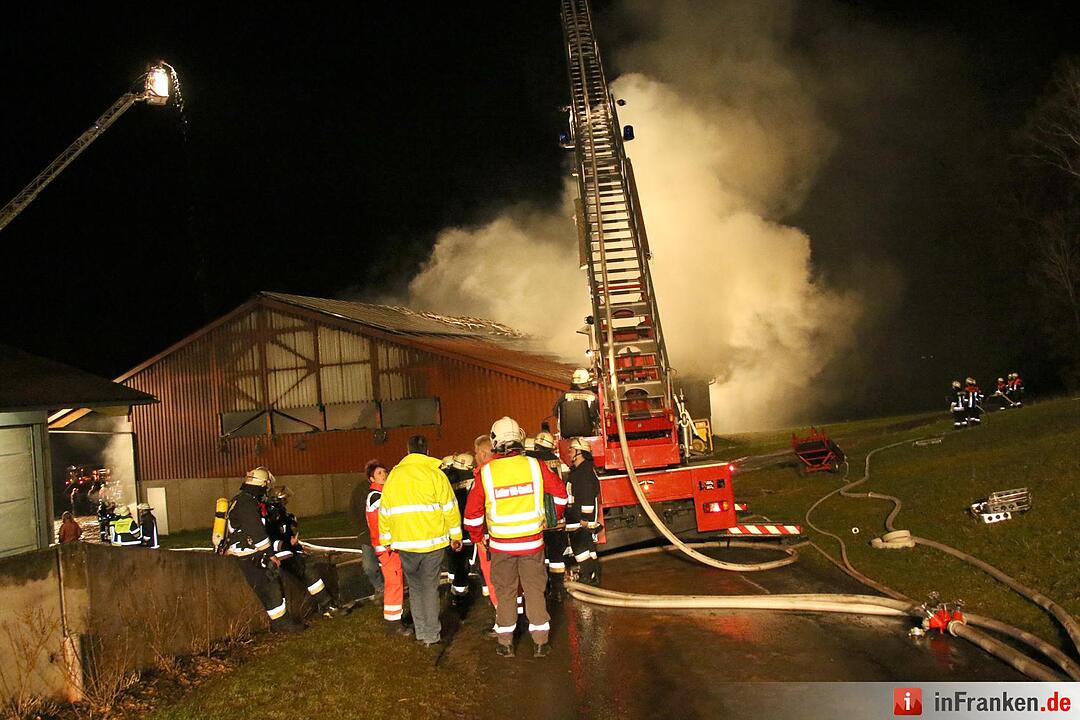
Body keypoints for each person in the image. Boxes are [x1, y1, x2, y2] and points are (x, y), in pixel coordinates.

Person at [464, 417, 567, 658]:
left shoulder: (486, 473)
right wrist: (550, 518)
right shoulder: (534, 465)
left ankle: (505, 644)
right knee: (534, 591)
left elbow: (472, 514)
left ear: (495, 441)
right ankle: (541, 643)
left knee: (506, 592)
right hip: (532, 543)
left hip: (501, 546)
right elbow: (560, 495)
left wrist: (478, 536)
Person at [378, 435, 463, 646]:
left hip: (405, 544)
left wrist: (386, 539)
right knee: (429, 588)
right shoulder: (436, 474)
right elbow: (450, 507)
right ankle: (432, 635)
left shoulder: (395, 476)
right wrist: (456, 536)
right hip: (432, 542)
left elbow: (385, 510)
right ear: (427, 450)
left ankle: (421, 632)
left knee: (415, 589)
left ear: (407, 451)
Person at [225, 467, 304, 633]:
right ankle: (281, 623)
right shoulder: (247, 503)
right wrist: (269, 555)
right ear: (262, 485)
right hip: (248, 554)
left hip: (247, 551)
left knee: (271, 582)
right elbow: (256, 532)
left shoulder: (242, 500)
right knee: (270, 584)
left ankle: (281, 621)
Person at [264, 485, 340, 618]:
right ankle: (326, 605)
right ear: (277, 500)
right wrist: (290, 544)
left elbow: (287, 536)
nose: (286, 502)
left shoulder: (281, 515)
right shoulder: (272, 517)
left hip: (287, 552)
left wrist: (297, 547)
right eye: (284, 499)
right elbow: (275, 541)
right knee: (307, 570)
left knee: (312, 565)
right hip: (280, 555)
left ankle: (328, 603)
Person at [365, 460, 410, 636]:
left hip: (388, 545)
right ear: (371, 478)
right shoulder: (376, 496)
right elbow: (386, 520)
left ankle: (394, 619)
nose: (384, 475)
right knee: (394, 583)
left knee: (396, 582)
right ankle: (393, 624)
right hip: (386, 547)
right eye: (379, 473)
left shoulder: (382, 494)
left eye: (384, 471)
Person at [527, 432, 569, 601]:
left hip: (538, 519)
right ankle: (558, 591)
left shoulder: (531, 462)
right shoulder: (557, 461)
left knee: (540, 557)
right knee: (557, 557)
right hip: (557, 518)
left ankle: (543, 590)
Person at [565, 437, 602, 585]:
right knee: (587, 546)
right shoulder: (580, 470)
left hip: (580, 518)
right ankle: (593, 574)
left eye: (571, 450)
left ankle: (588, 575)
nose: (569, 454)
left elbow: (587, 494)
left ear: (579, 452)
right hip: (577, 516)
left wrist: (585, 518)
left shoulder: (584, 472)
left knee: (580, 547)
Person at [444, 453, 476, 605]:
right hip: (471, 529)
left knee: (457, 563)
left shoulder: (448, 481)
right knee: (469, 563)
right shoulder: (473, 480)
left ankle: (458, 594)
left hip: (455, 531)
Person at [556, 368, 600, 438]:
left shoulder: (564, 396)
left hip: (566, 437)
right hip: (591, 435)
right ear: (587, 381)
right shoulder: (593, 397)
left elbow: (556, 413)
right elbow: (598, 415)